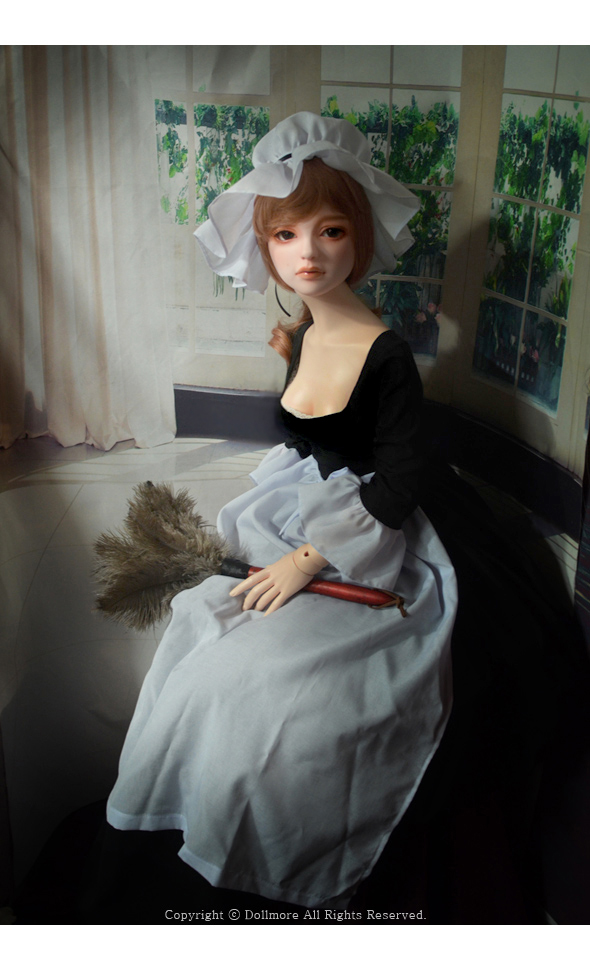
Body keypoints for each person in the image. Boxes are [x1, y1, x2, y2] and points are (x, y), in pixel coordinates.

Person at [105, 112, 458, 909]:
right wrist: (291, 356)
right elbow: (309, 431)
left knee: (274, 688)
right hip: (297, 510)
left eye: (331, 231)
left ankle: (272, 863)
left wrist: (307, 559)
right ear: (262, 245)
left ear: (360, 236)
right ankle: (180, 830)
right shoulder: (301, 332)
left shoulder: (386, 357)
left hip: (368, 537)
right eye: (286, 234)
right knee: (202, 634)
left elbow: (398, 486)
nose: (309, 254)